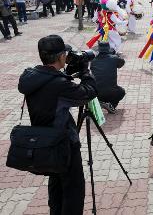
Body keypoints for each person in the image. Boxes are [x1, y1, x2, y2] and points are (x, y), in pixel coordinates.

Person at [18, 35, 97, 215]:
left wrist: (66, 74)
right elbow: (89, 92)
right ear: (61, 56)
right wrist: (85, 71)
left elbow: (52, 85)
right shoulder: (60, 84)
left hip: (43, 142)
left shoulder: (32, 76)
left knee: (56, 184)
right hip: (63, 144)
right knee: (73, 189)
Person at [90, 42, 125, 113]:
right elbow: (121, 63)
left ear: (98, 50)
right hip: (111, 92)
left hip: (96, 93)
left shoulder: (93, 61)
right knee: (122, 92)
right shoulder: (114, 58)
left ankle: (100, 103)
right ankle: (111, 105)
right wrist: (118, 56)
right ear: (108, 49)